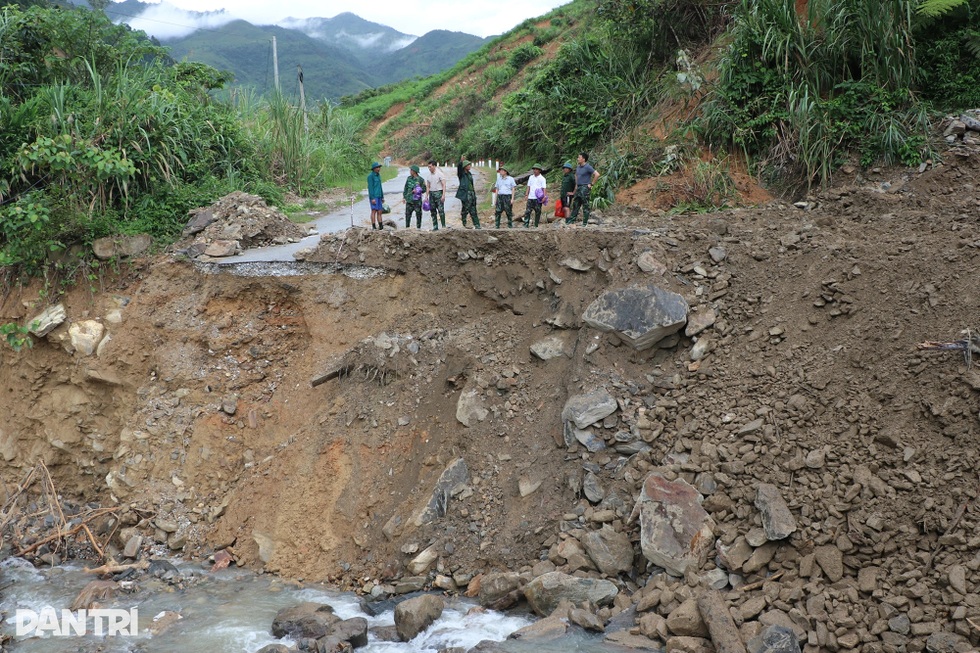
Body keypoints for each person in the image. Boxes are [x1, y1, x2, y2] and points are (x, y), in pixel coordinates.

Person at [567, 152, 599, 226]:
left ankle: (585, 223)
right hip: (579, 187)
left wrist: (591, 184)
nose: (578, 159)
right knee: (576, 204)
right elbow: (576, 176)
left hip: (585, 188)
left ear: (583, 159)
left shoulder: (588, 167)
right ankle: (571, 221)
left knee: (585, 205)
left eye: (579, 157)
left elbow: (597, 174)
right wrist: (576, 186)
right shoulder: (578, 167)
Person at [455, 158, 481, 229]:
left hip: (471, 193)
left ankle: (477, 225)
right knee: (465, 209)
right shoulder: (462, 174)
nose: (470, 166)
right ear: (464, 166)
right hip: (465, 194)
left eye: (470, 165)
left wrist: (474, 194)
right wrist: (461, 162)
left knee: (473, 209)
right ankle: (464, 223)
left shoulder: (469, 174)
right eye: (468, 165)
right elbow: (459, 168)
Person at [426, 160, 447, 230]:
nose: (429, 168)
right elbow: (428, 186)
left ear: (434, 166)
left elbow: (444, 185)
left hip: (438, 193)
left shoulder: (440, 174)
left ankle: (443, 225)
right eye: (428, 167)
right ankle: (435, 226)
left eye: (430, 167)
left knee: (441, 210)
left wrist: (443, 195)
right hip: (431, 194)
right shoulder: (429, 176)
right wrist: (426, 196)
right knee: (432, 211)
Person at [523, 163, 546, 228]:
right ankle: (526, 224)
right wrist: (526, 194)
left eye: (536, 169)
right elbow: (528, 186)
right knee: (527, 211)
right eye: (534, 169)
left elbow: (544, 188)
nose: (535, 170)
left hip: (538, 198)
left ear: (539, 170)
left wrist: (544, 196)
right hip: (530, 197)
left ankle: (536, 225)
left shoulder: (542, 179)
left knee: (538, 211)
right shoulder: (531, 177)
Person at [367, 161, 384, 230]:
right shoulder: (370, 176)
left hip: (379, 195)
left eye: (379, 167)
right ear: (374, 169)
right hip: (374, 196)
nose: (378, 169)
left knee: (380, 211)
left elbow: (380, 186)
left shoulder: (378, 175)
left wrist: (382, 196)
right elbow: (370, 188)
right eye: (377, 168)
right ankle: (373, 226)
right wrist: (372, 198)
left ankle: (380, 225)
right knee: (374, 211)